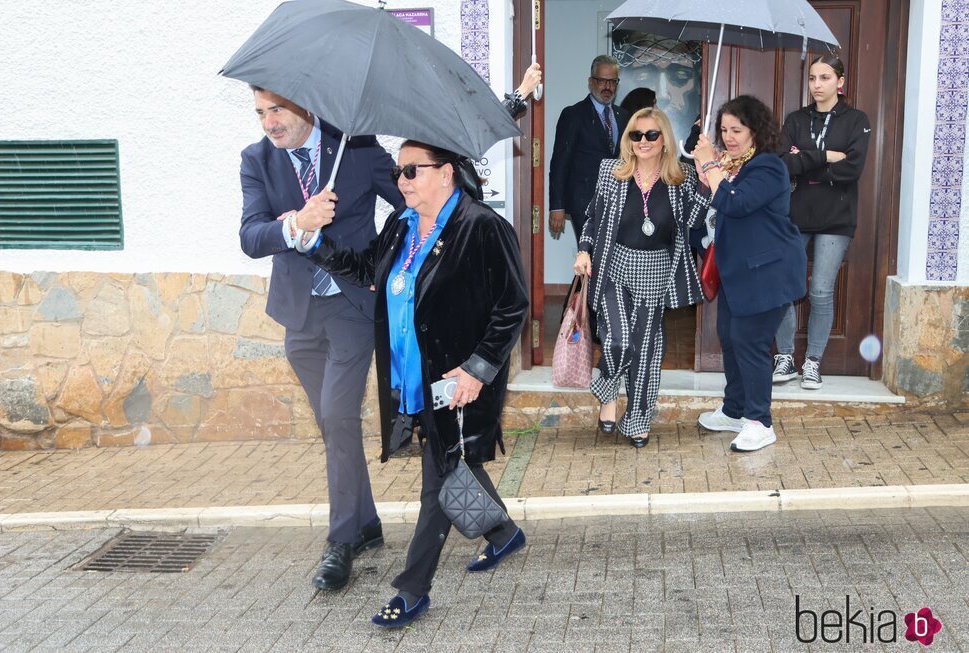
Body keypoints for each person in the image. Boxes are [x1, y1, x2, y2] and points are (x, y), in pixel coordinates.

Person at [307, 141, 529, 628]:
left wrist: (478, 369)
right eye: (398, 171)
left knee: (441, 477)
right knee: (452, 461)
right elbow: (369, 272)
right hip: (412, 377)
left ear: (446, 173)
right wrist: (313, 240)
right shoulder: (400, 226)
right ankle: (502, 532)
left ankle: (412, 589)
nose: (402, 180)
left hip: (461, 378)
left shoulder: (482, 227)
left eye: (412, 170)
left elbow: (513, 306)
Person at [238, 87, 403, 591]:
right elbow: (250, 236)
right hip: (298, 317)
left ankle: (340, 541)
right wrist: (295, 224)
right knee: (335, 427)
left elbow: (409, 205)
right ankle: (368, 523)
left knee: (336, 416)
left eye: (278, 110)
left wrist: (384, 260)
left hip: (351, 307)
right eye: (262, 113)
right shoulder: (256, 159)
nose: (270, 122)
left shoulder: (356, 147)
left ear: (306, 105)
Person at [573, 108, 710, 447]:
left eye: (651, 135)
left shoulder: (681, 179)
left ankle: (637, 418)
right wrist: (583, 250)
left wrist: (706, 182)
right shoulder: (611, 171)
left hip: (656, 270)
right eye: (636, 135)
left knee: (646, 349)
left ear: (665, 140)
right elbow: (592, 217)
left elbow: (692, 221)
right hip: (615, 266)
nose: (643, 142)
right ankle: (607, 392)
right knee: (619, 340)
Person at [692, 96, 807, 452]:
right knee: (729, 337)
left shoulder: (769, 167)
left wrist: (711, 167)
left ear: (755, 131)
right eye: (724, 129)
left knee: (752, 344)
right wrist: (709, 172)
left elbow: (737, 203)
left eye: (736, 130)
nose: (729, 137)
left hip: (767, 273)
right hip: (736, 272)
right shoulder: (732, 165)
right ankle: (734, 410)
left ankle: (760, 421)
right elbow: (718, 204)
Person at [773, 54, 871, 390]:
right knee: (783, 287)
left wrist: (807, 163)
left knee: (820, 290)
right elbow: (784, 163)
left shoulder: (857, 120)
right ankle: (784, 357)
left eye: (825, 78)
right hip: (796, 215)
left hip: (836, 218)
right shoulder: (796, 119)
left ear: (840, 82)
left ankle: (812, 362)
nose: (817, 85)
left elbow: (853, 169)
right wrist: (827, 157)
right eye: (813, 78)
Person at [549, 55, 630, 240]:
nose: (607, 87)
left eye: (612, 81)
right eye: (602, 80)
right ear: (591, 81)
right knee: (590, 258)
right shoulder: (574, 114)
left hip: (618, 202)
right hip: (584, 202)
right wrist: (557, 206)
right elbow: (560, 163)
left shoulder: (624, 116)